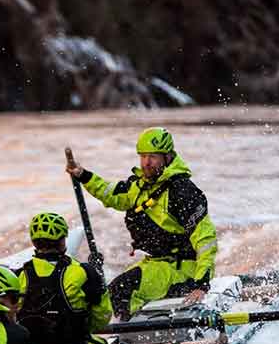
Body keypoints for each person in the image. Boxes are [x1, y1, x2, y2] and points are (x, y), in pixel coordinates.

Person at [65, 127, 218, 320]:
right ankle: (125, 334)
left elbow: (206, 240)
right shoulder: (139, 186)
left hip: (183, 269)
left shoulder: (183, 192)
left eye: (153, 157)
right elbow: (110, 194)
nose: (146, 163)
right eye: (143, 156)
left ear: (168, 157)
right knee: (106, 293)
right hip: (156, 265)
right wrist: (82, 174)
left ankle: (122, 342)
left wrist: (201, 284)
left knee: (122, 289)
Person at [12, 211, 124, 344]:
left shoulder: (18, 276)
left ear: (34, 242)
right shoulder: (83, 272)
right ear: (63, 240)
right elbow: (102, 318)